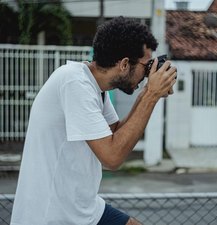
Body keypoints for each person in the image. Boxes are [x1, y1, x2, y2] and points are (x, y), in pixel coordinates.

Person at [11, 16, 177, 225]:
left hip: (83, 208)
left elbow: (116, 133)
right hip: (52, 215)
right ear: (125, 64)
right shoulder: (74, 83)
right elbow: (112, 157)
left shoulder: (94, 87)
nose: (147, 74)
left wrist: (146, 93)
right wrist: (151, 95)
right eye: (146, 67)